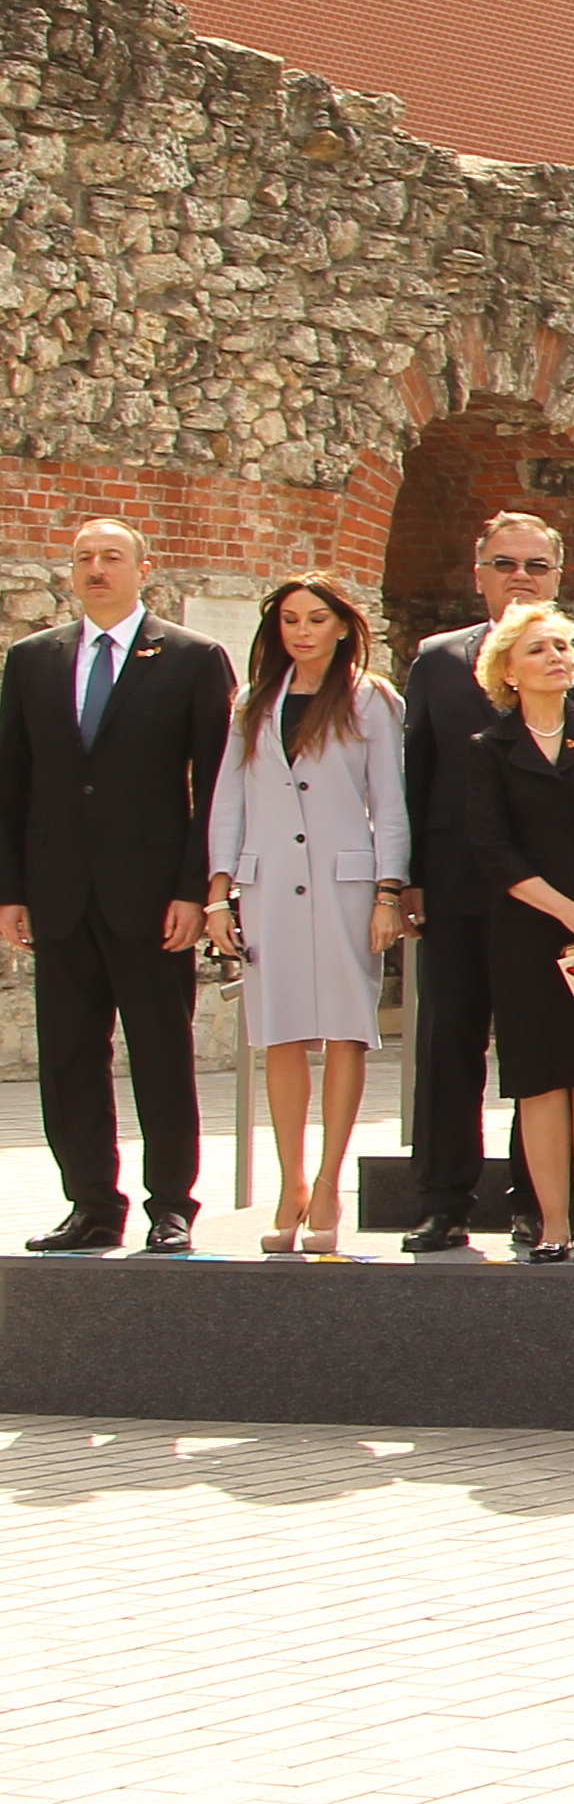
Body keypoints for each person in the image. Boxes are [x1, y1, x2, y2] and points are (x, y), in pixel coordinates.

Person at [397, 512, 574, 1254]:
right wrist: (402, 881)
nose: (520, 577)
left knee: (548, 1057)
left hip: (570, 906)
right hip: (461, 889)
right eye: (504, 563)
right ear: (479, 572)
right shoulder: (437, 660)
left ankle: (540, 1209)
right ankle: (444, 1201)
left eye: (535, 565)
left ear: (558, 577)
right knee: (450, 1044)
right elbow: (417, 776)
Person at [3, 521, 235, 1256]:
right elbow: (12, 781)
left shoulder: (194, 658)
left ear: (144, 569)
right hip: (60, 891)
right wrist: (12, 890)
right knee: (70, 1055)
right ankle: (91, 1206)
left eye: (111, 557)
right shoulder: (33, 659)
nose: (96, 569)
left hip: (153, 894)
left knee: (161, 1051)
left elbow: (216, 783)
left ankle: (171, 1205)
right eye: (83, 559)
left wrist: (194, 888)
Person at [203, 573, 407, 1256]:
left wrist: (388, 891)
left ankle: (328, 1183)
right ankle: (290, 1184)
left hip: (346, 884)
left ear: (342, 625)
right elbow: (227, 802)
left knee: (347, 1031)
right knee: (280, 1032)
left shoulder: (371, 699)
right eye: (290, 620)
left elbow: (391, 800)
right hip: (268, 885)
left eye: (315, 619)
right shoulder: (252, 703)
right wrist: (218, 892)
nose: (302, 632)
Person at [445, 601, 574, 1262]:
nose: (558, 658)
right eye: (539, 649)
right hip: (530, 931)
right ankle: (552, 1226)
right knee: (541, 1079)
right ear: (507, 668)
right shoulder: (489, 750)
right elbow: (493, 849)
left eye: (563, 647)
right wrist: (571, 915)